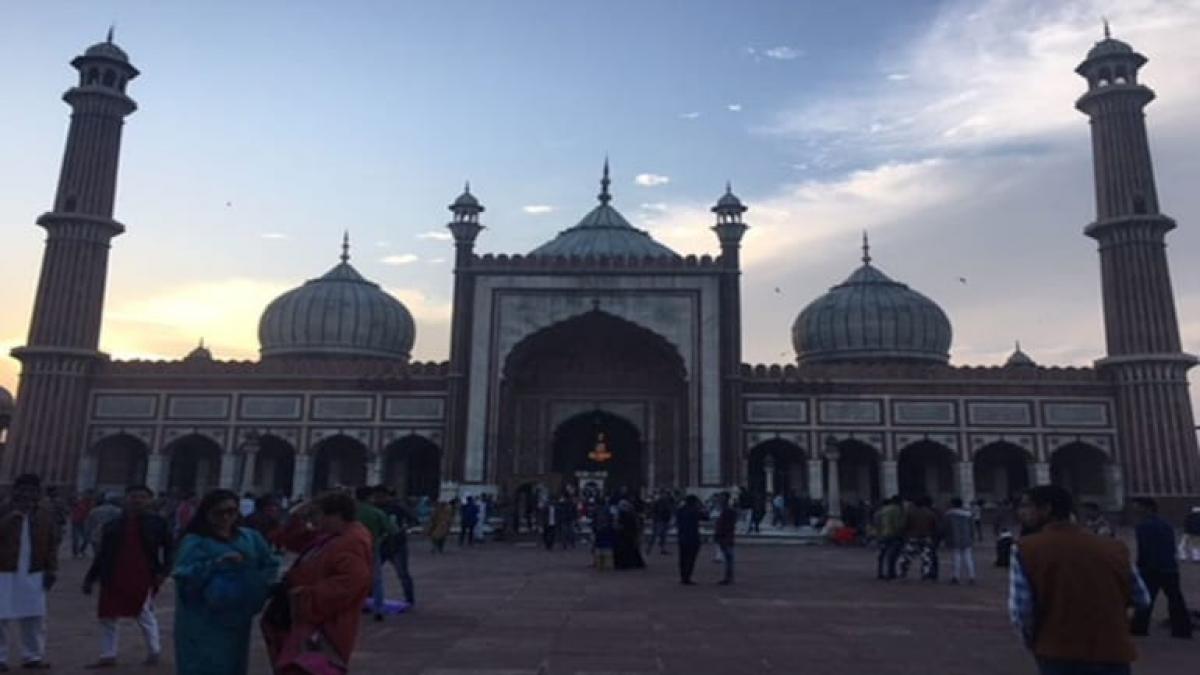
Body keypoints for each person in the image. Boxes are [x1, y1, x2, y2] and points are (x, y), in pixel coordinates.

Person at [1009, 485, 1149, 675]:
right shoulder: (1114, 547)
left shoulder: (1027, 548)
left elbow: (1022, 611)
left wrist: (1034, 641)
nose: (1021, 512)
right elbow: (1142, 599)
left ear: (1047, 509)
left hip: (1059, 651)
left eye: (1026, 506)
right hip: (1113, 650)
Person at [262, 492, 374, 674]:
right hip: (306, 620)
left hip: (322, 624)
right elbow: (291, 539)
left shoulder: (350, 541)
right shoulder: (332, 536)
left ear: (336, 515)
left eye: (317, 514)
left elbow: (351, 583)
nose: (314, 521)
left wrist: (305, 596)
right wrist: (297, 516)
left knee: (307, 667)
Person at [172, 489, 279, 675]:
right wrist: (215, 564)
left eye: (231, 511)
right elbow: (182, 572)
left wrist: (255, 581)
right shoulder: (195, 541)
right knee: (202, 663)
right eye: (219, 512)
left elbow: (270, 564)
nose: (226, 517)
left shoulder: (250, 537)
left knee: (233, 662)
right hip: (201, 616)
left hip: (235, 615)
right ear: (207, 513)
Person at [82, 484, 172, 668]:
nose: (137, 500)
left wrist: (164, 571)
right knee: (107, 615)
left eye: (142, 497)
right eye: (133, 496)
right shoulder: (114, 524)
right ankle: (108, 654)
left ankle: (154, 650)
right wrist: (90, 577)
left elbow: (170, 548)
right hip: (113, 573)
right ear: (126, 499)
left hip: (142, 573)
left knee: (144, 612)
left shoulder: (158, 523)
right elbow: (103, 554)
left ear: (149, 500)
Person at [0, 474, 59, 670]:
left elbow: (52, 543)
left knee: (34, 616)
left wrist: (51, 568)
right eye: (23, 489)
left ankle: (33, 656)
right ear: (15, 490)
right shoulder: (3, 509)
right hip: (4, 569)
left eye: (32, 490)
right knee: (1, 616)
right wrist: (10, 518)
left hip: (34, 569)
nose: (27, 494)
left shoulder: (44, 514)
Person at [1128, 497, 1192, 639]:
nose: (1136, 511)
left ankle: (1139, 627)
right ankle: (1182, 629)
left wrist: (1140, 566)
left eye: (1138, 507)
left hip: (1151, 568)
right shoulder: (1166, 525)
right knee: (1175, 599)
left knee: (1146, 599)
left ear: (1147, 508)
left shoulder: (1143, 526)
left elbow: (1144, 549)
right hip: (1169, 567)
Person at [355, 486, 399, 623]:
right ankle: (378, 609)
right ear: (370, 497)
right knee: (376, 581)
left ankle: (353, 607)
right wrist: (381, 537)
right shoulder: (376, 512)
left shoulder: (350, 512)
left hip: (351, 550)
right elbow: (393, 530)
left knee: (351, 579)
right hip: (371, 549)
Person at [373, 487, 417, 607]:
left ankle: (409, 599)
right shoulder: (374, 508)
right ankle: (369, 599)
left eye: (380, 496)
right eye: (376, 497)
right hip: (381, 545)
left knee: (403, 574)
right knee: (372, 575)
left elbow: (413, 518)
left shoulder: (397, 507)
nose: (378, 499)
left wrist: (404, 529)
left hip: (397, 545)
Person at [899, 496, 940, 580]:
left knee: (906, 557)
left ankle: (903, 572)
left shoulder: (909, 512)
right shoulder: (930, 513)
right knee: (926, 558)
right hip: (926, 537)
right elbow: (935, 526)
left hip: (912, 537)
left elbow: (904, 525)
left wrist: (904, 534)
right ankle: (925, 573)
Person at [942, 498, 976, 585]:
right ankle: (971, 576)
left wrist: (945, 538)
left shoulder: (948, 515)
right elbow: (972, 527)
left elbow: (946, 528)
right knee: (968, 558)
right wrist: (972, 537)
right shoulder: (968, 514)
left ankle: (955, 576)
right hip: (966, 538)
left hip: (954, 538)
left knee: (956, 558)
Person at [675, 495, 705, 585]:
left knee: (683, 558)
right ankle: (687, 577)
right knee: (690, 559)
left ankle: (683, 576)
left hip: (682, 536)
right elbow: (705, 516)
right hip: (693, 537)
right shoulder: (695, 511)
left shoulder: (680, 510)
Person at [874, 497, 904, 580]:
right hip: (893, 534)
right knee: (893, 555)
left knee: (882, 555)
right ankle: (891, 572)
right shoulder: (895, 509)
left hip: (882, 535)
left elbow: (877, 524)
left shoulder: (880, 512)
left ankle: (880, 572)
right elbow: (897, 524)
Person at [613, 500, 646, 570]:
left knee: (626, 549)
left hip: (626, 534)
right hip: (629, 534)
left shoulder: (625, 514)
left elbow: (621, 524)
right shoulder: (631, 513)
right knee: (632, 549)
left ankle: (625, 564)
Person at [713, 492, 737, 585]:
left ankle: (728, 577)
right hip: (726, 537)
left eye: (721, 498)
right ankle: (728, 577)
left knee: (729, 558)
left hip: (725, 537)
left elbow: (726, 525)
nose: (720, 500)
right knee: (728, 558)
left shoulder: (727, 511)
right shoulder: (726, 510)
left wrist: (720, 534)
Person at [70, 491, 95, 558]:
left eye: (90, 495)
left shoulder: (90, 504)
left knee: (86, 538)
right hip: (75, 521)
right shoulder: (80, 502)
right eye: (88, 495)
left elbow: (90, 514)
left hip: (82, 522)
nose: (89, 496)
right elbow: (73, 502)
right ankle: (75, 553)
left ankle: (81, 550)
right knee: (76, 538)